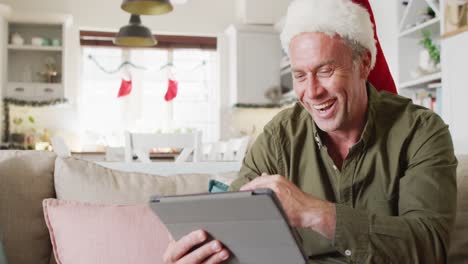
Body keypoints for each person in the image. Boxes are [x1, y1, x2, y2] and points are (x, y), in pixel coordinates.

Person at [163, 0, 457, 263]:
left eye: (326, 70)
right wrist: (196, 250)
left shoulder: (421, 130)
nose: (312, 92)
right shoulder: (280, 136)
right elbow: (234, 224)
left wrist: (315, 213)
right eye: (300, 75)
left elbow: (429, 247)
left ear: (364, 63)